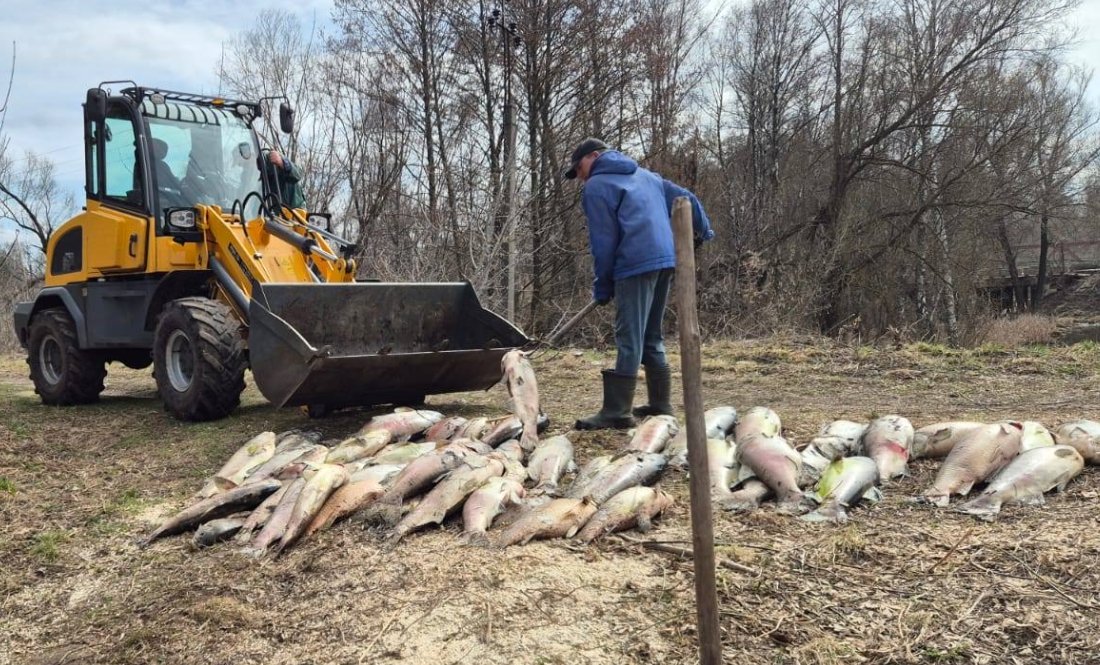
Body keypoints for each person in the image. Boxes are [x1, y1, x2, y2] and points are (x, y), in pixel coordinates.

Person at [564, 138, 714, 430]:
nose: (579, 176)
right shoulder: (646, 176)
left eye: (579, 168)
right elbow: (687, 197)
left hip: (633, 263)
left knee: (628, 336)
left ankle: (617, 411)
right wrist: (704, 229)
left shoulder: (597, 186)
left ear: (594, 156)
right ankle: (661, 404)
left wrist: (603, 283)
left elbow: (603, 242)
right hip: (664, 260)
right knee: (651, 335)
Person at [151, 138, 188, 209]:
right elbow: (170, 183)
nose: (164, 152)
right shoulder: (152, 166)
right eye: (162, 149)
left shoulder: (161, 165)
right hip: (159, 200)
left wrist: (181, 182)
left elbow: (172, 181)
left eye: (165, 150)